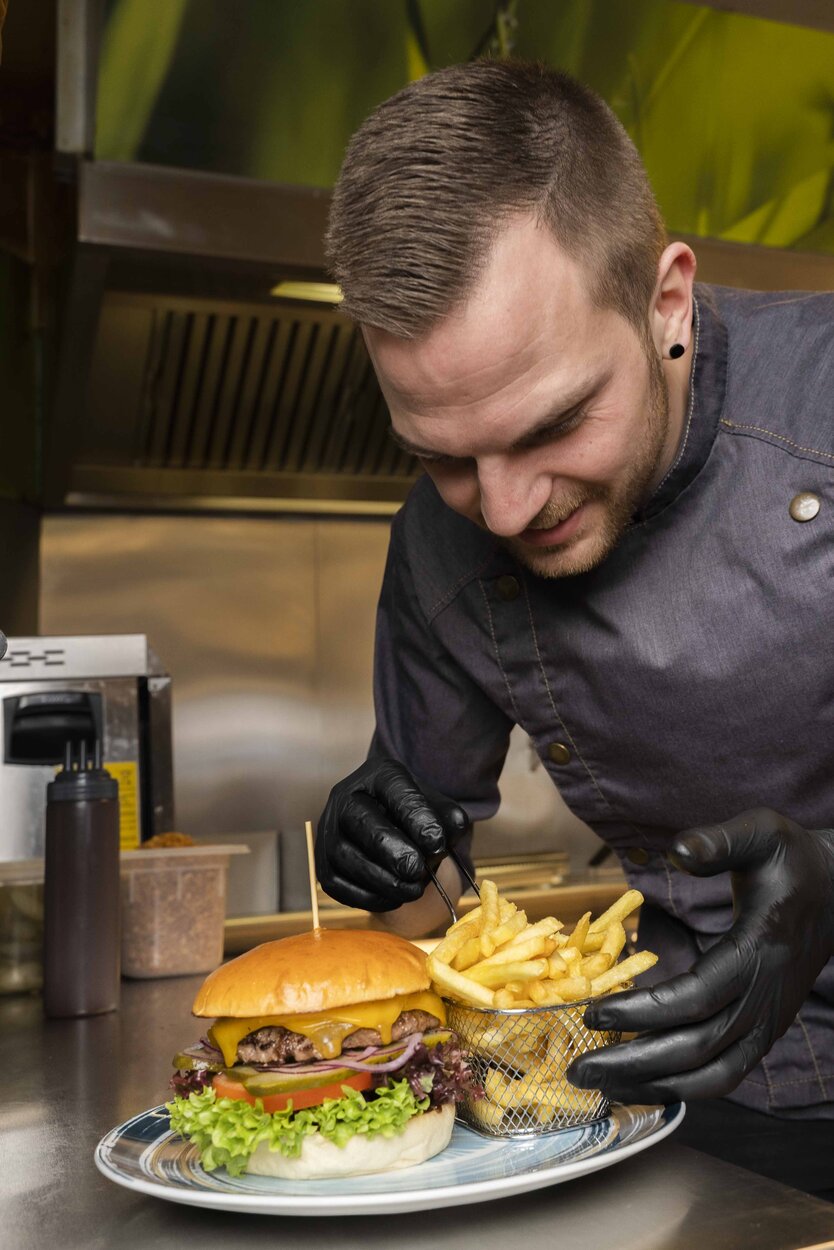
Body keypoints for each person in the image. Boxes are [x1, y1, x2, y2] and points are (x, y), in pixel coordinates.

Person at [314, 60, 834, 1171]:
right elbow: (432, 925)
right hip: (700, 1108)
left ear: (667, 302)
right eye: (443, 456)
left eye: (555, 424)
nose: (505, 506)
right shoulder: (438, 551)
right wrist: (383, 862)